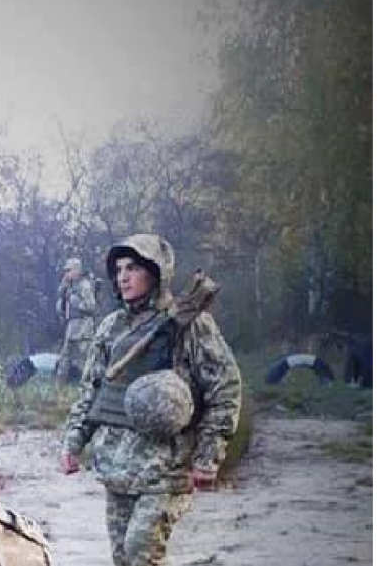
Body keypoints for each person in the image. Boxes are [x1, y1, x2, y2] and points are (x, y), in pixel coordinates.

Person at [59, 234, 242, 566]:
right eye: (118, 270)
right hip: (117, 466)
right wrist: (73, 442)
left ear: (156, 272)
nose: (123, 277)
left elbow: (224, 388)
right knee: (124, 559)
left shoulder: (189, 324)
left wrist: (209, 455)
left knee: (141, 554)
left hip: (166, 467)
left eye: (133, 268)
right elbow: (92, 390)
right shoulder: (111, 327)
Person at [55, 257, 98, 382]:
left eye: (69, 270)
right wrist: (64, 286)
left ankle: (89, 384)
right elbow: (61, 298)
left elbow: (91, 306)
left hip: (84, 325)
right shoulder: (69, 286)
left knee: (86, 357)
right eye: (66, 271)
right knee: (65, 356)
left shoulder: (84, 285)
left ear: (76, 270)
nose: (66, 273)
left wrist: (77, 303)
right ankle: (59, 384)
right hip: (72, 325)